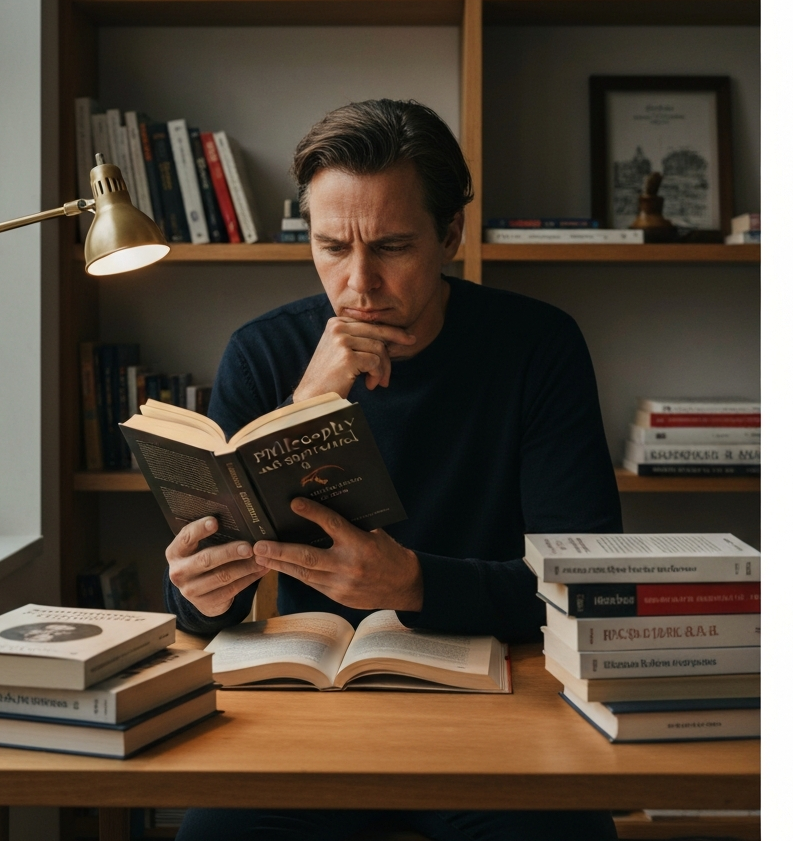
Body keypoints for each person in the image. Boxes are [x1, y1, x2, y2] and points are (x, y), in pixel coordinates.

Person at [166, 99, 623, 841]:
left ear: (449, 234)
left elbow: (587, 581)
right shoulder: (262, 353)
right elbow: (199, 610)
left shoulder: (537, 347)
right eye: (331, 248)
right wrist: (308, 404)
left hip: (496, 697)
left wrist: (412, 583)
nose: (358, 285)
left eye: (391, 246)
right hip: (309, 704)